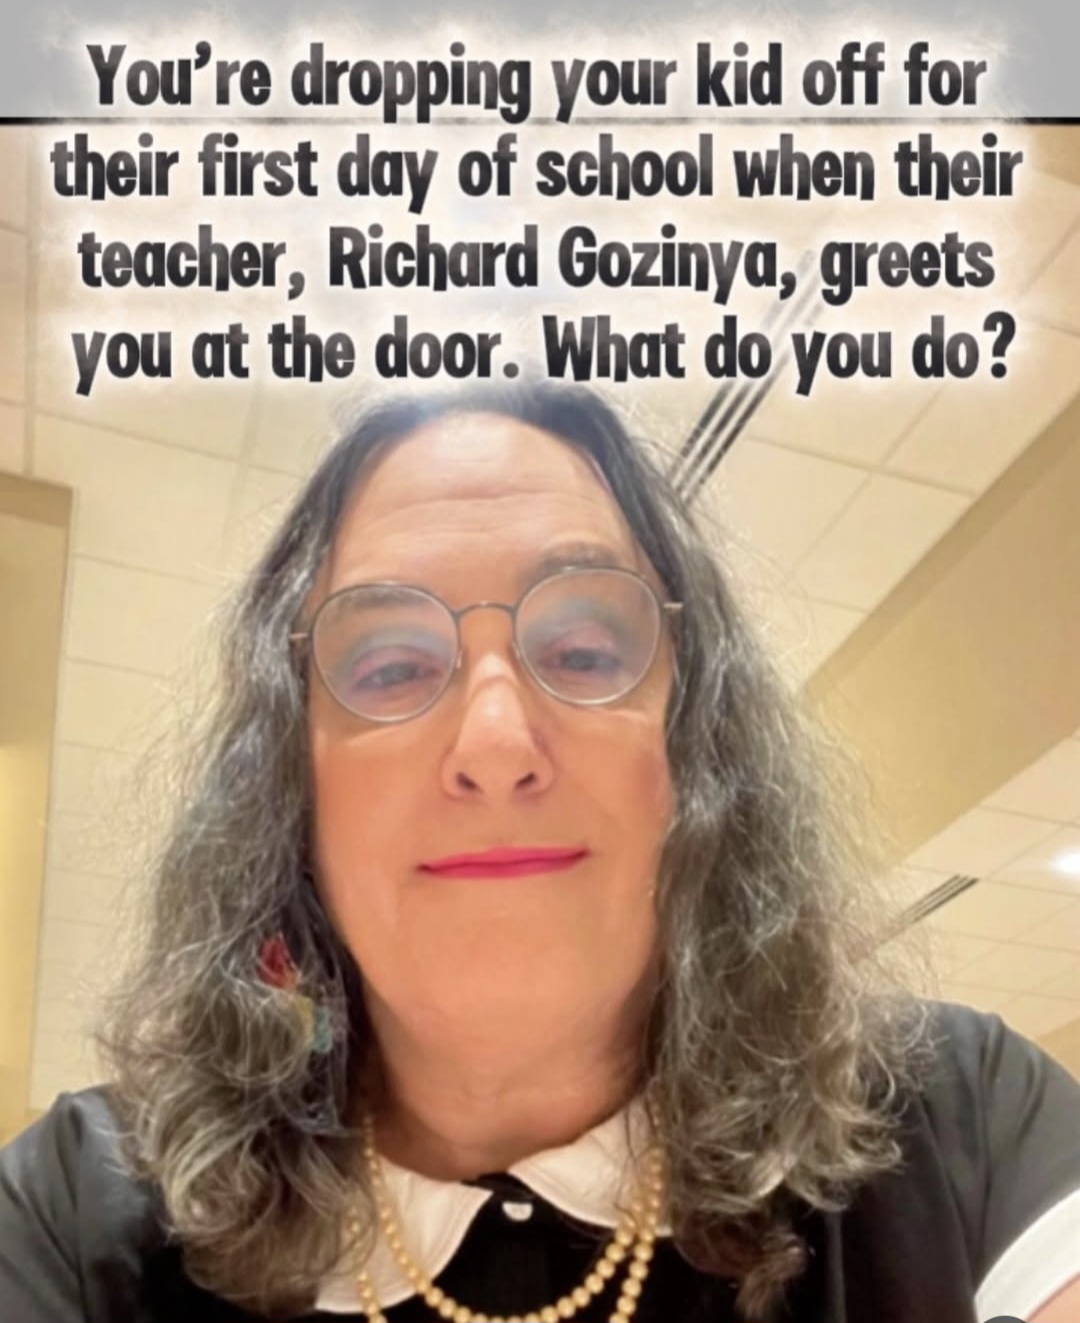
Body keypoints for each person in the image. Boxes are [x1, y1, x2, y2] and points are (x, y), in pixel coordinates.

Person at [0, 381, 1077, 1323]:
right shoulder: (74, 1209)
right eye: (389, 666)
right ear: (290, 779)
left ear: (695, 746)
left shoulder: (962, 1125)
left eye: (585, 649)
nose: (496, 745)